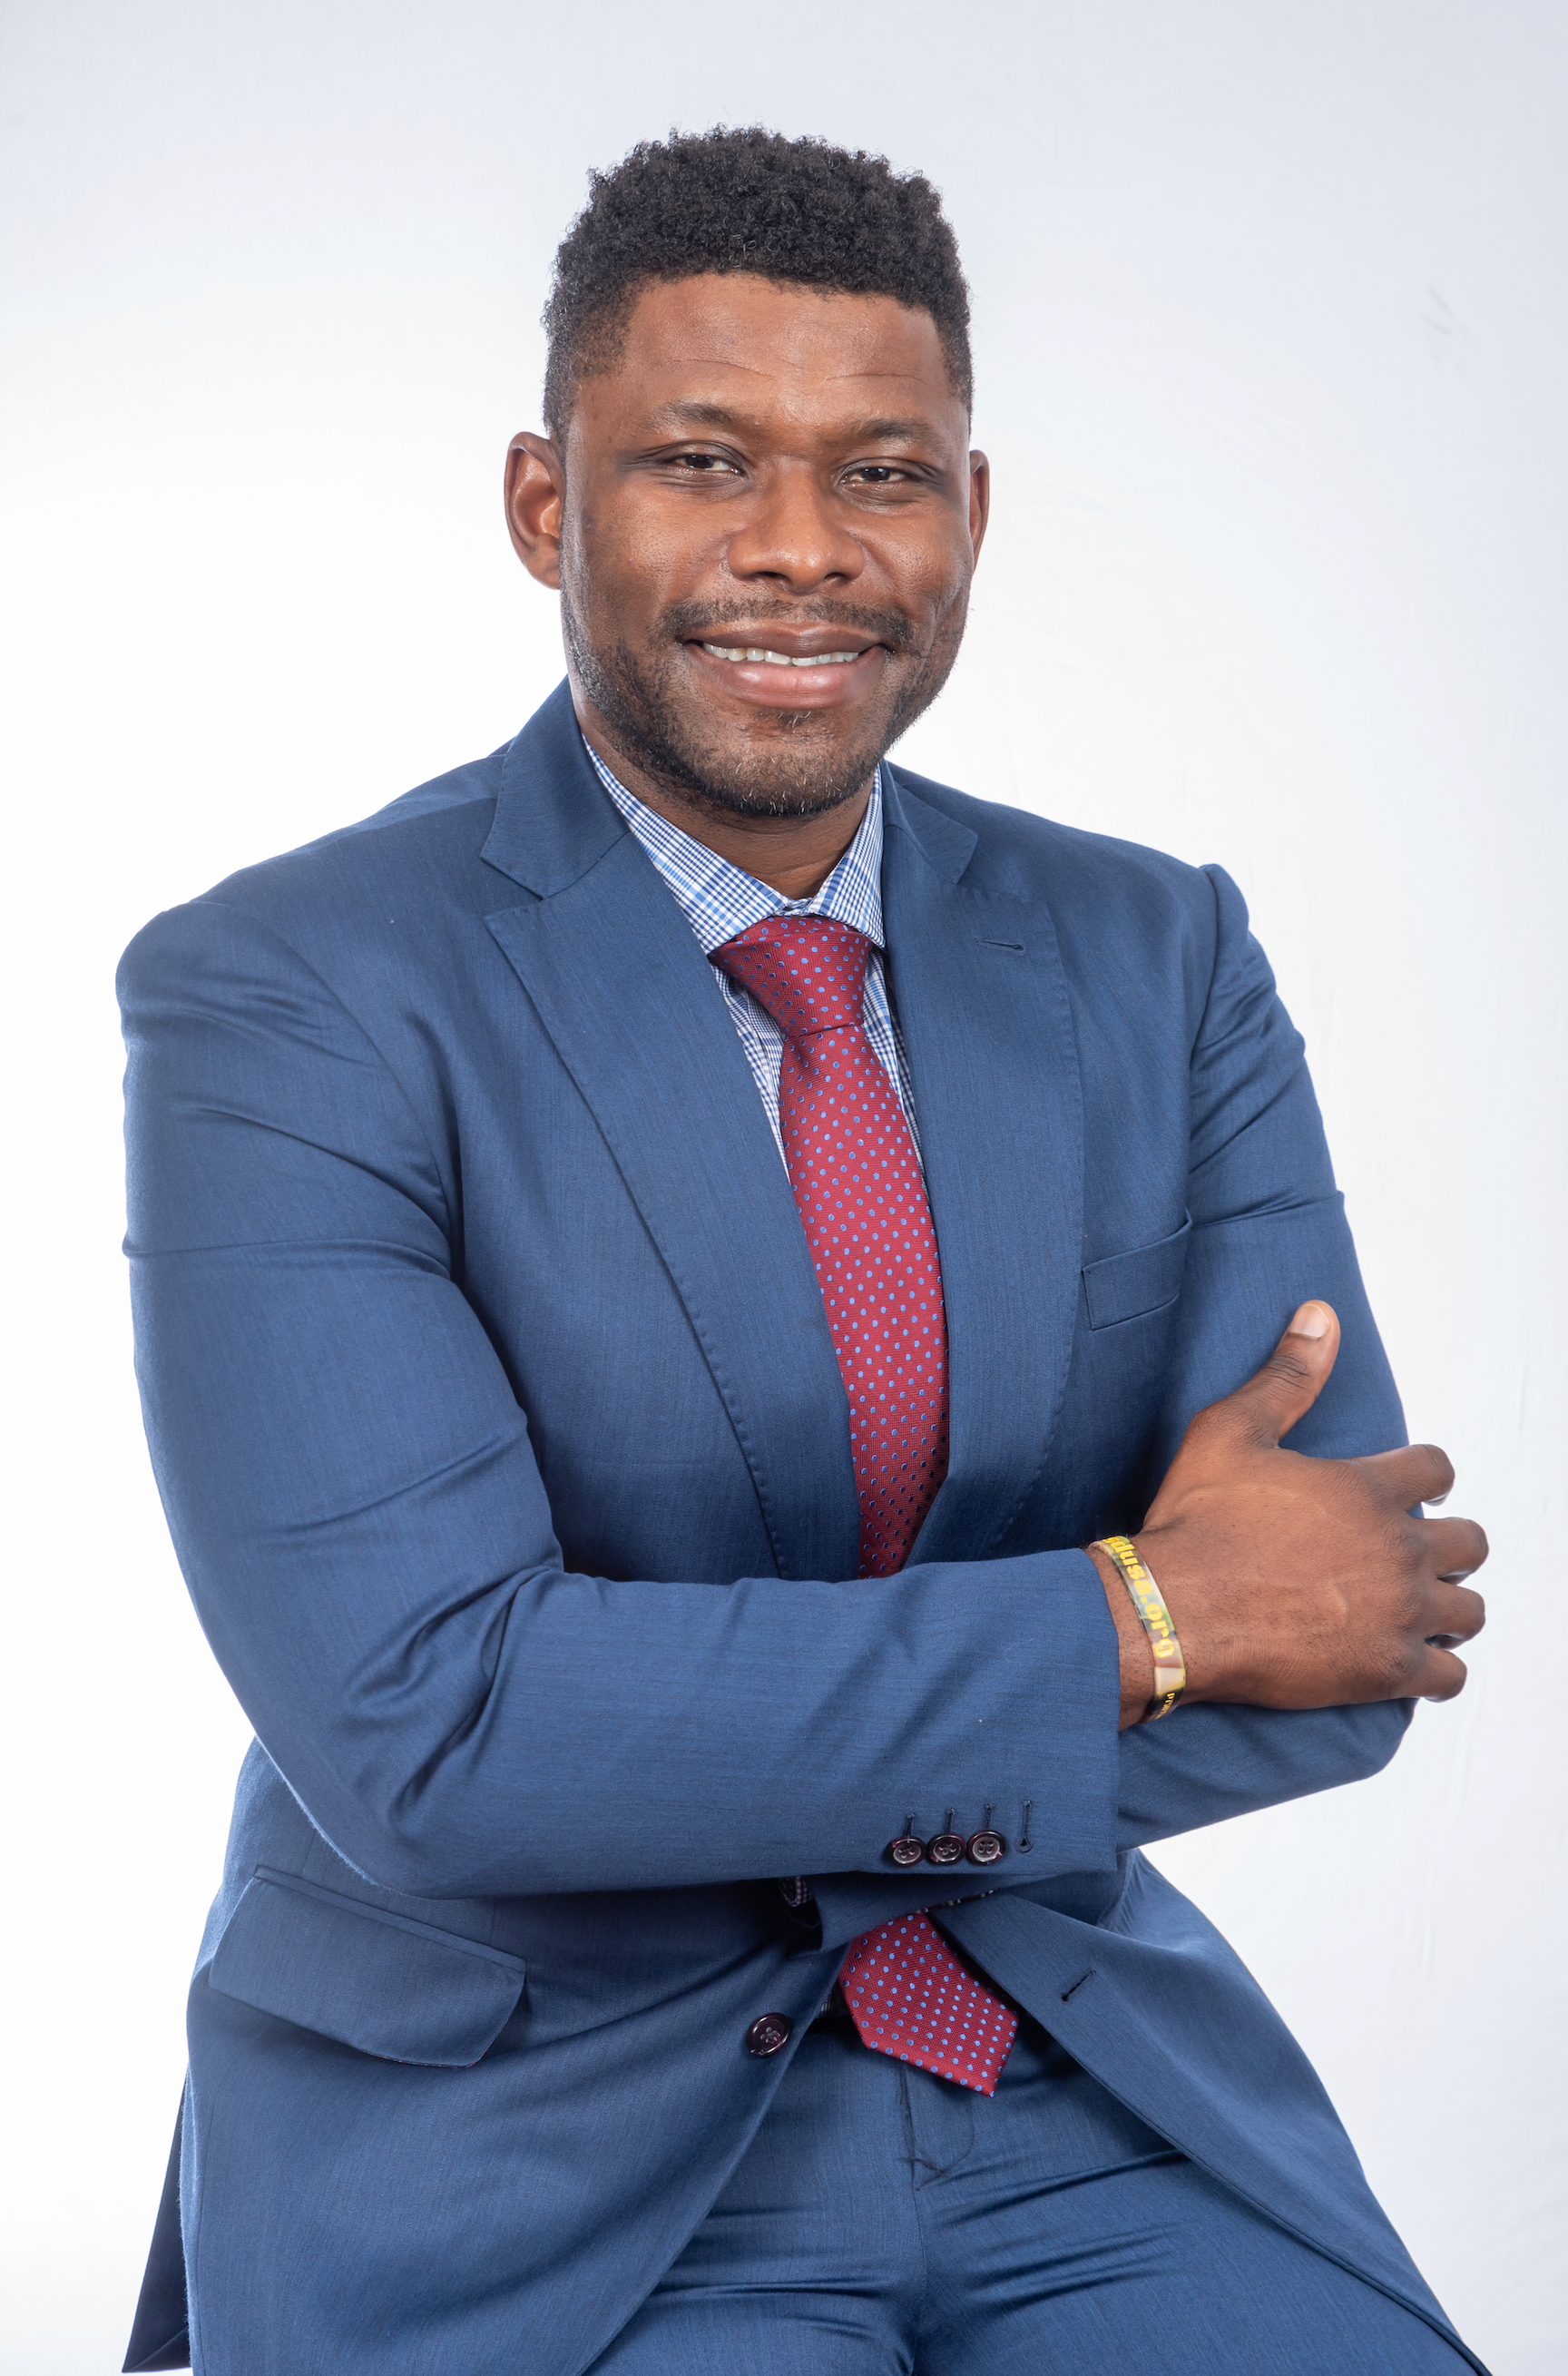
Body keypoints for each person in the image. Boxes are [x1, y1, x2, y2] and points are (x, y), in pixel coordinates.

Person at [118, 128, 1489, 2376]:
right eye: (697, 459)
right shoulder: (291, 992)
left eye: (882, 472)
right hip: (523, 2136)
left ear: (970, 513)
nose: (799, 551)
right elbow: (435, 1733)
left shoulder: (1158, 955)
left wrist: (670, 1721)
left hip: (1062, 2069)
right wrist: (1143, 1615)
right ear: (547, 507)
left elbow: (1340, 1638)